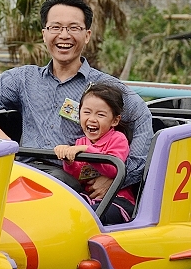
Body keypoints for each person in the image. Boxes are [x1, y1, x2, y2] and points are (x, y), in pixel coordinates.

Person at [0, 0, 153, 199]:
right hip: (20, 172)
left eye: (73, 28)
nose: (64, 35)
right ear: (44, 34)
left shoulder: (104, 88)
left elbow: (142, 118)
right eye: (56, 27)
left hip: (66, 182)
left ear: (87, 35)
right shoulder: (24, 79)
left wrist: (119, 178)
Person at [54, 82, 136, 224]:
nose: (92, 119)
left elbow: (112, 170)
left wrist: (87, 151)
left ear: (115, 120)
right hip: (90, 199)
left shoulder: (118, 139)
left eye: (100, 114)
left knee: (89, 215)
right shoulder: (80, 142)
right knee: (67, 208)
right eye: (87, 112)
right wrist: (68, 160)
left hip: (117, 201)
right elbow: (77, 176)